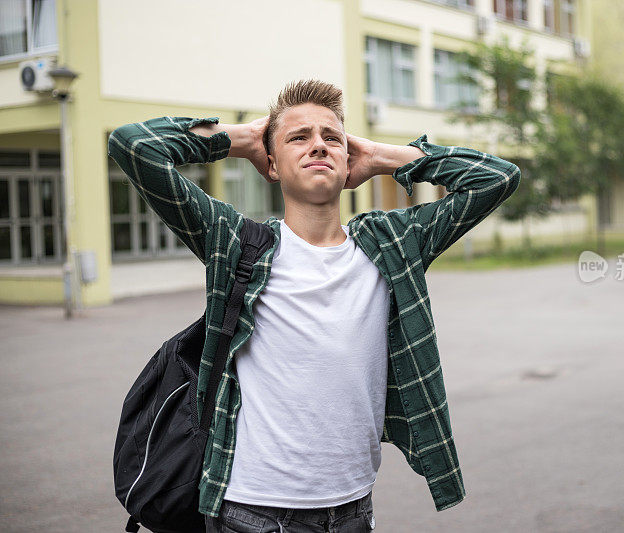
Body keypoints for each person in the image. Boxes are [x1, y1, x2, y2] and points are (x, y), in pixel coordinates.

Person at [108, 79, 520, 532]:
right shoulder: (235, 243)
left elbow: (496, 178)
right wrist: (241, 139)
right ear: (272, 166)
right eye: (298, 138)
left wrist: (383, 156)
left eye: (332, 138)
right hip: (253, 512)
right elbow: (134, 146)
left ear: (349, 162)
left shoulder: (392, 244)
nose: (317, 146)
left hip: (353, 509)